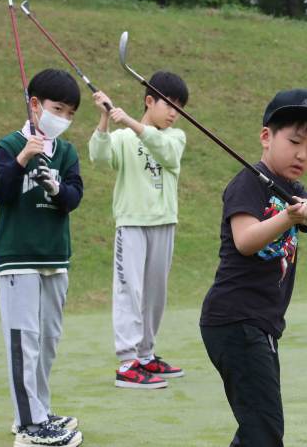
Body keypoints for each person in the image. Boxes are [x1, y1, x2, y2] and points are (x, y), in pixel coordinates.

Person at [200, 88, 307, 446]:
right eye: (294, 141)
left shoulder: (294, 190)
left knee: (256, 427)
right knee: (265, 427)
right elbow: (246, 240)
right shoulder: (248, 183)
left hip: (260, 324)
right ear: (265, 137)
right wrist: (288, 217)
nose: (302, 154)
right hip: (235, 320)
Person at [0, 69, 84, 446]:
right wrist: (22, 161)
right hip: (18, 259)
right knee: (23, 342)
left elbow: (74, 198)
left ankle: (38, 413)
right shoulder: (9, 145)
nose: (63, 118)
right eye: (57, 109)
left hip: (55, 257)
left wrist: (57, 189)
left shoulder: (67, 152)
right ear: (34, 106)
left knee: (46, 341)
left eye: (71, 113)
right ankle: (29, 428)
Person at [89, 72, 189, 388]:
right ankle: (127, 362)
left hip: (164, 222)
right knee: (129, 292)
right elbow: (99, 155)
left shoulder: (176, 137)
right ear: (150, 100)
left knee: (155, 295)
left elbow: (166, 152)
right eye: (170, 104)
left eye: (180, 107)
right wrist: (105, 119)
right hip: (132, 223)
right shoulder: (122, 138)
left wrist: (132, 122)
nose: (174, 113)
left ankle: (146, 355)